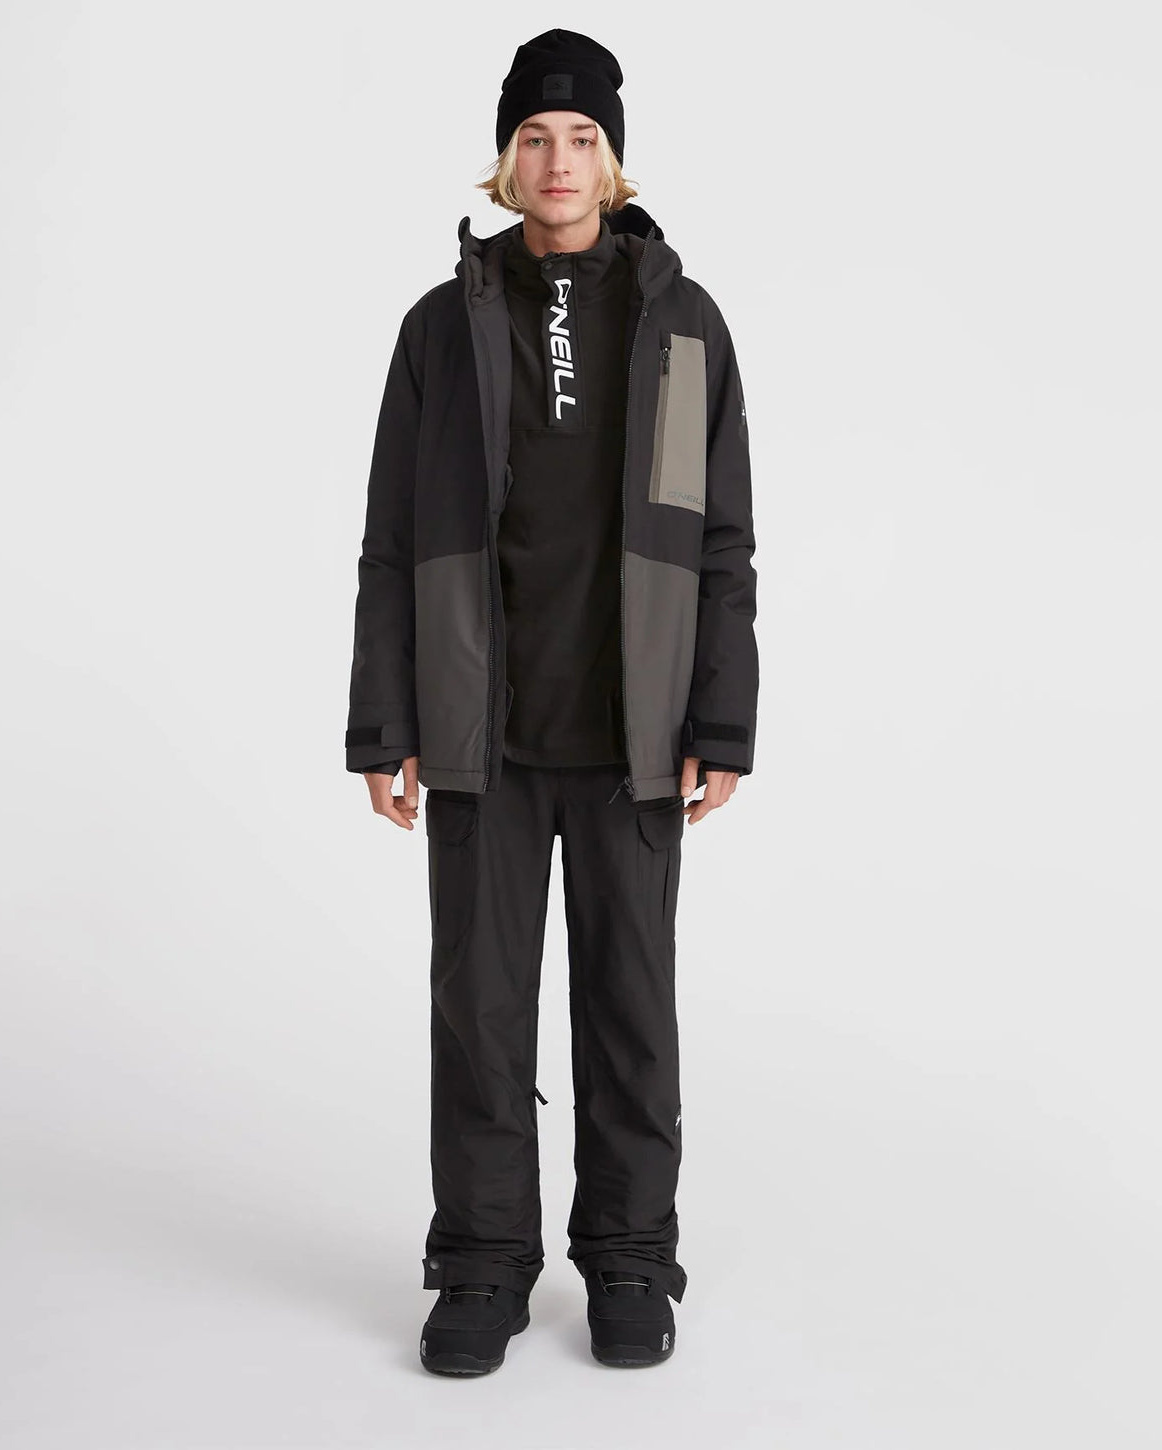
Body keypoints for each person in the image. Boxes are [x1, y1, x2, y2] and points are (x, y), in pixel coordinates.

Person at [344, 28, 758, 1375]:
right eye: (535, 137)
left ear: (615, 160)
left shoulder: (685, 327)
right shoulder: (440, 328)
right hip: (482, 732)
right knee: (478, 1011)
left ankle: (630, 1255)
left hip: (637, 736)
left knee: (630, 1010)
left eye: (582, 138)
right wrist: (385, 719)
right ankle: (480, 1261)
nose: (559, 160)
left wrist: (721, 718)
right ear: (506, 160)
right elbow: (393, 540)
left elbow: (722, 542)